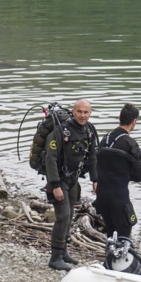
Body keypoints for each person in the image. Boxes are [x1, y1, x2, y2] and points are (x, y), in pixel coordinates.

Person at [44, 99, 98, 271]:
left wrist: (95, 179)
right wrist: (54, 185)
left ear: (90, 113)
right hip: (58, 180)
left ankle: (64, 251)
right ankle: (55, 257)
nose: (83, 115)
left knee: (71, 214)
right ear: (73, 112)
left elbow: (92, 157)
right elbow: (50, 158)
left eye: (86, 112)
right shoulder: (61, 131)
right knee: (63, 216)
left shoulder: (89, 130)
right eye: (79, 112)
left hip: (73, 179)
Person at [94, 104, 141, 245]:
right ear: (134, 121)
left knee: (110, 232)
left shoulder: (106, 138)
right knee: (124, 232)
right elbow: (140, 171)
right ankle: (123, 263)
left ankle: (109, 258)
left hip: (102, 195)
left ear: (120, 118)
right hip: (119, 197)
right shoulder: (129, 143)